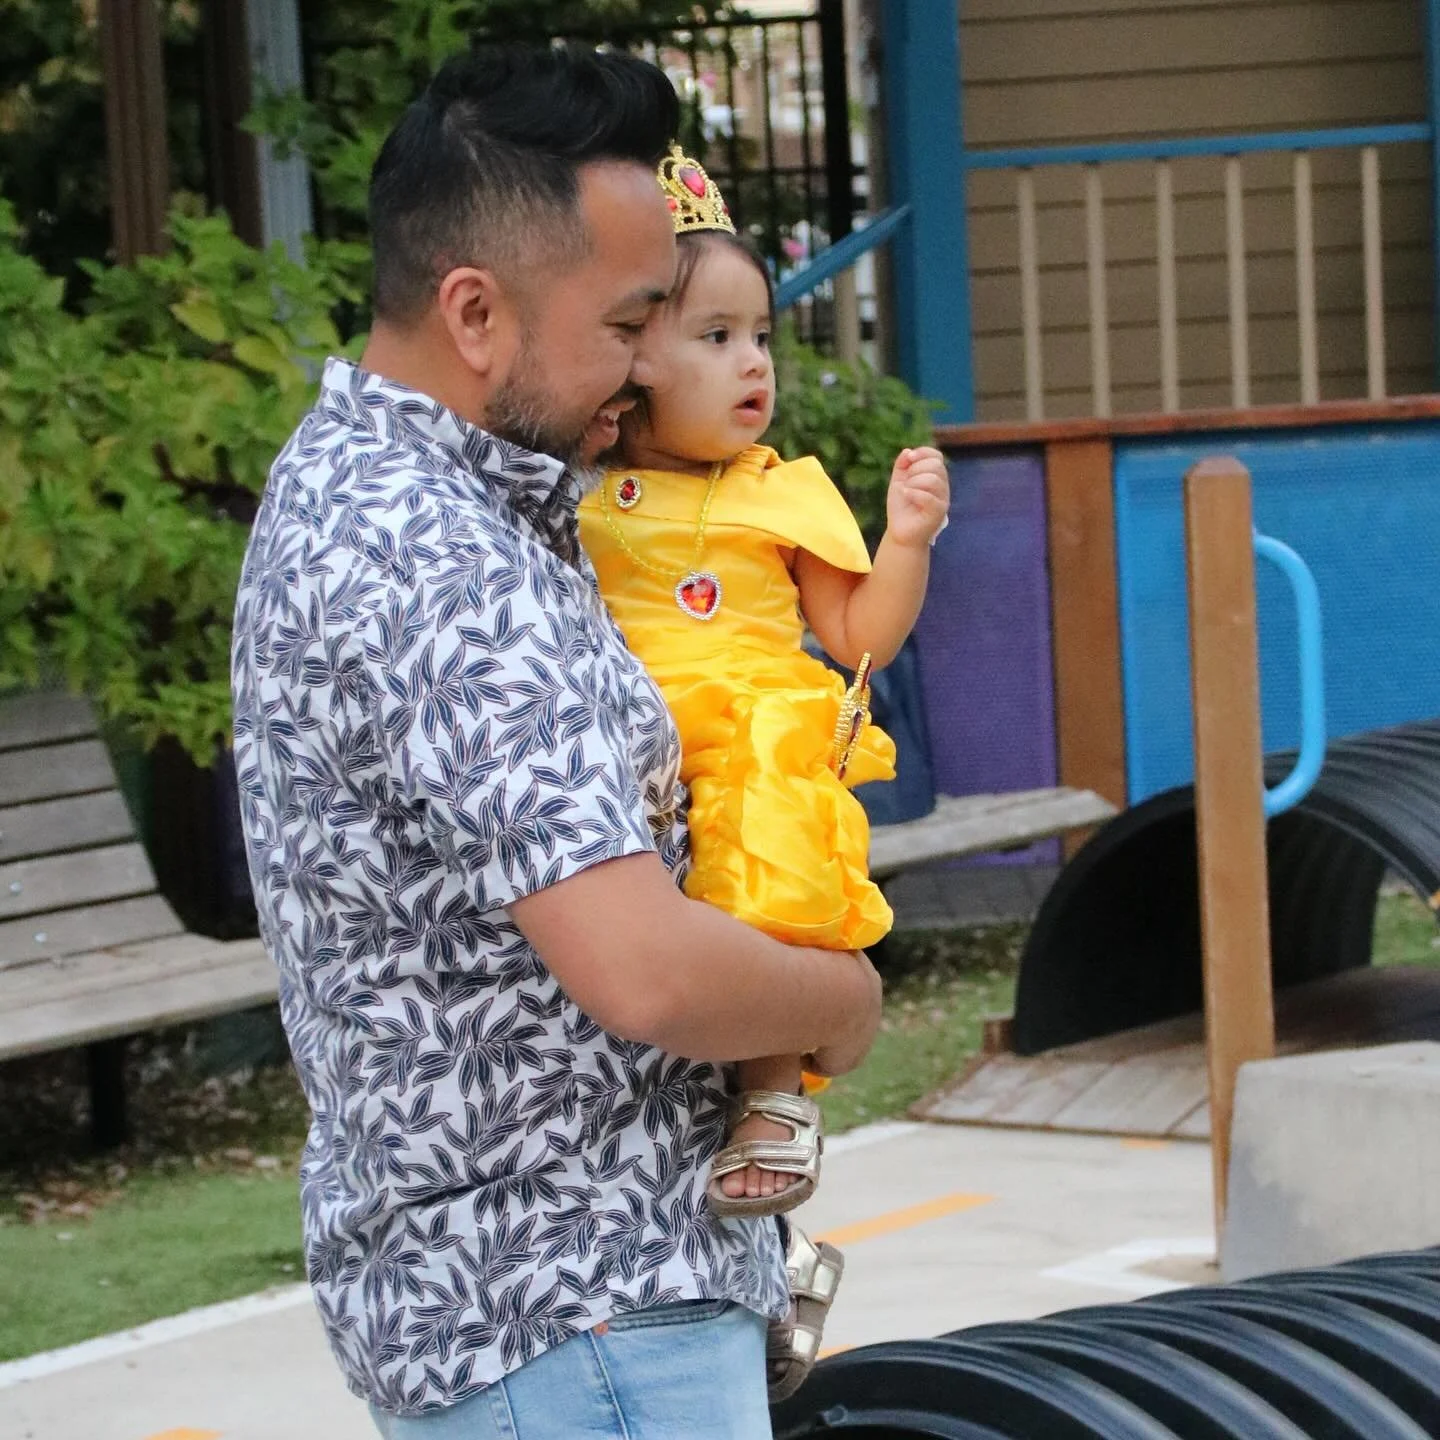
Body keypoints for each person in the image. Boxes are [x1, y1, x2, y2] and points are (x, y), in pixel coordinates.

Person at [230, 45, 882, 1440]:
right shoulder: (422, 555)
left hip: (578, 1324)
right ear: (476, 313)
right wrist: (840, 1005)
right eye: (629, 321)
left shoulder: (428, 497)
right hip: (574, 1326)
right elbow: (642, 971)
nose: (653, 366)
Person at [578, 148, 950, 1218]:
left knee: (771, 816)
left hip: (748, 726)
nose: (755, 365)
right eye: (716, 337)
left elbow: (857, 635)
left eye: (760, 338)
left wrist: (908, 543)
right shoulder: (582, 489)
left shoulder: (784, 497)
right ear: (633, 355)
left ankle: (774, 1094)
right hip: (631, 731)